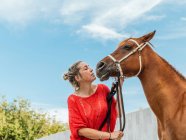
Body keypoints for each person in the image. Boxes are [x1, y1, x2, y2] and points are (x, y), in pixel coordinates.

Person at [63, 61, 124, 140]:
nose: (91, 69)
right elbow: (80, 130)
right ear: (77, 78)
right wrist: (109, 135)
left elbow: (117, 113)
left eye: (89, 67)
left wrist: (119, 88)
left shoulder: (103, 89)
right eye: (86, 68)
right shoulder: (73, 99)